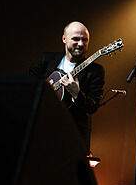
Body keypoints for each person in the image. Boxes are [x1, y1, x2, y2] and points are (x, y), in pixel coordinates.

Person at [30, 21, 105, 153]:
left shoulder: (95, 71)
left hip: (72, 135)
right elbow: (29, 84)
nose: (81, 44)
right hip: (42, 129)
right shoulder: (47, 60)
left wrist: (77, 93)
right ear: (64, 38)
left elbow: (92, 107)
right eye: (76, 39)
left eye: (85, 40)